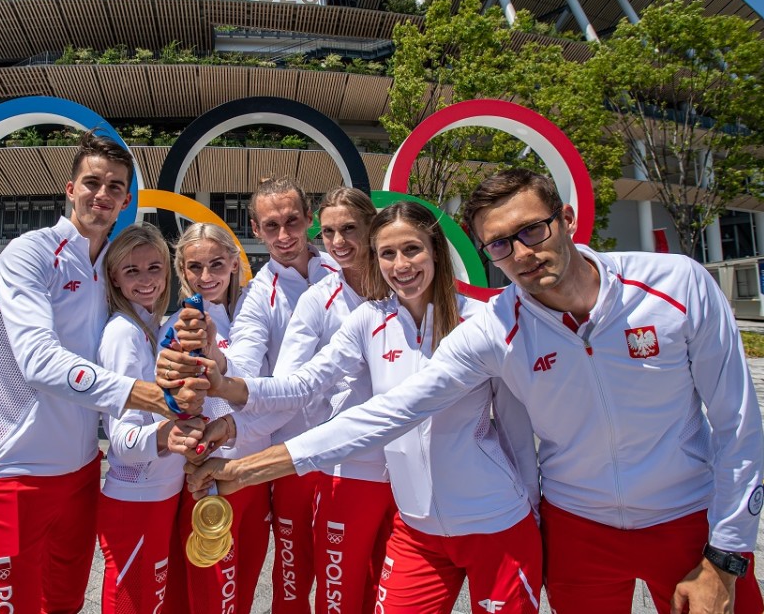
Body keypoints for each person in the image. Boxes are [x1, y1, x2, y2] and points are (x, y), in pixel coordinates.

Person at [186, 168, 764, 614]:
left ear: (564, 218)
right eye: (500, 245)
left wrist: (728, 554)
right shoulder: (495, 323)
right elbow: (386, 409)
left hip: (679, 520)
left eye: (532, 230)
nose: (521, 253)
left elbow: (737, 422)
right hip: (573, 526)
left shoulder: (677, 284)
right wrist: (242, 448)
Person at [173, 200, 542, 613]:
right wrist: (227, 389)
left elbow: (515, 429)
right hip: (417, 525)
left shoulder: (481, 322)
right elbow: (302, 384)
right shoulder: (369, 320)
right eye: (388, 253)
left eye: (412, 249)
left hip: (494, 521)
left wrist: (535, 513)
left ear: (435, 249)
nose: (401, 265)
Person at [0, 132, 207, 614]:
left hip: (80, 470)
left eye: (116, 187)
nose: (103, 194)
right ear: (70, 188)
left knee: (65, 603)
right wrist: (151, 396)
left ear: (125, 200)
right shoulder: (29, 254)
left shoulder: (109, 268)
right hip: (15, 468)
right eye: (92, 182)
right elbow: (37, 360)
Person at [164, 176, 338, 614]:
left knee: (348, 582)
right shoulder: (260, 297)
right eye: (271, 225)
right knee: (291, 582)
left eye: (292, 221)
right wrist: (216, 366)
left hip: (357, 456)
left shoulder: (343, 272)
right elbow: (244, 362)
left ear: (310, 219)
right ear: (256, 231)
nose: (284, 235)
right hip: (288, 458)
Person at [160, 222, 257, 614]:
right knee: (214, 590)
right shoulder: (178, 328)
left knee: (244, 584)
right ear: (182, 271)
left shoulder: (252, 316)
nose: (205, 277)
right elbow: (176, 405)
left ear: (235, 264)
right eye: (194, 267)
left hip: (255, 469)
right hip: (210, 476)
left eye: (216, 264)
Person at [97, 223, 183, 614]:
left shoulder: (151, 326)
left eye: (154, 268)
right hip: (136, 497)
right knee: (133, 603)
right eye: (132, 271)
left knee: (153, 600)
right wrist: (177, 431)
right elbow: (123, 441)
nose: (146, 280)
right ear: (114, 277)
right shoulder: (124, 334)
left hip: (160, 493)